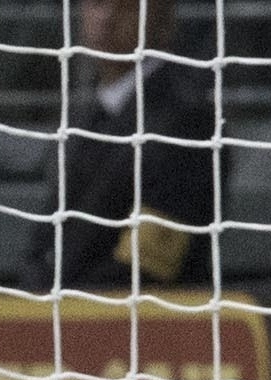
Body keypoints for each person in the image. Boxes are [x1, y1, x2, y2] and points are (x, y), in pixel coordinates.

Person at [23, 0, 217, 294]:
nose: (106, 18)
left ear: (161, 22)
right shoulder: (89, 114)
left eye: (125, 7)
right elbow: (44, 241)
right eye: (96, 4)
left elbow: (146, 265)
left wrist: (63, 301)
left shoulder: (185, 118)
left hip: (143, 324)